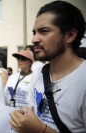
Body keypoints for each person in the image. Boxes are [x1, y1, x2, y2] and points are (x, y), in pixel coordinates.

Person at [10, 1, 86, 133]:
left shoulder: (83, 79)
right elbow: (34, 115)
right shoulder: (39, 73)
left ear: (70, 35)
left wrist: (41, 130)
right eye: (34, 32)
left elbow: (37, 127)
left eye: (44, 31)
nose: (34, 39)